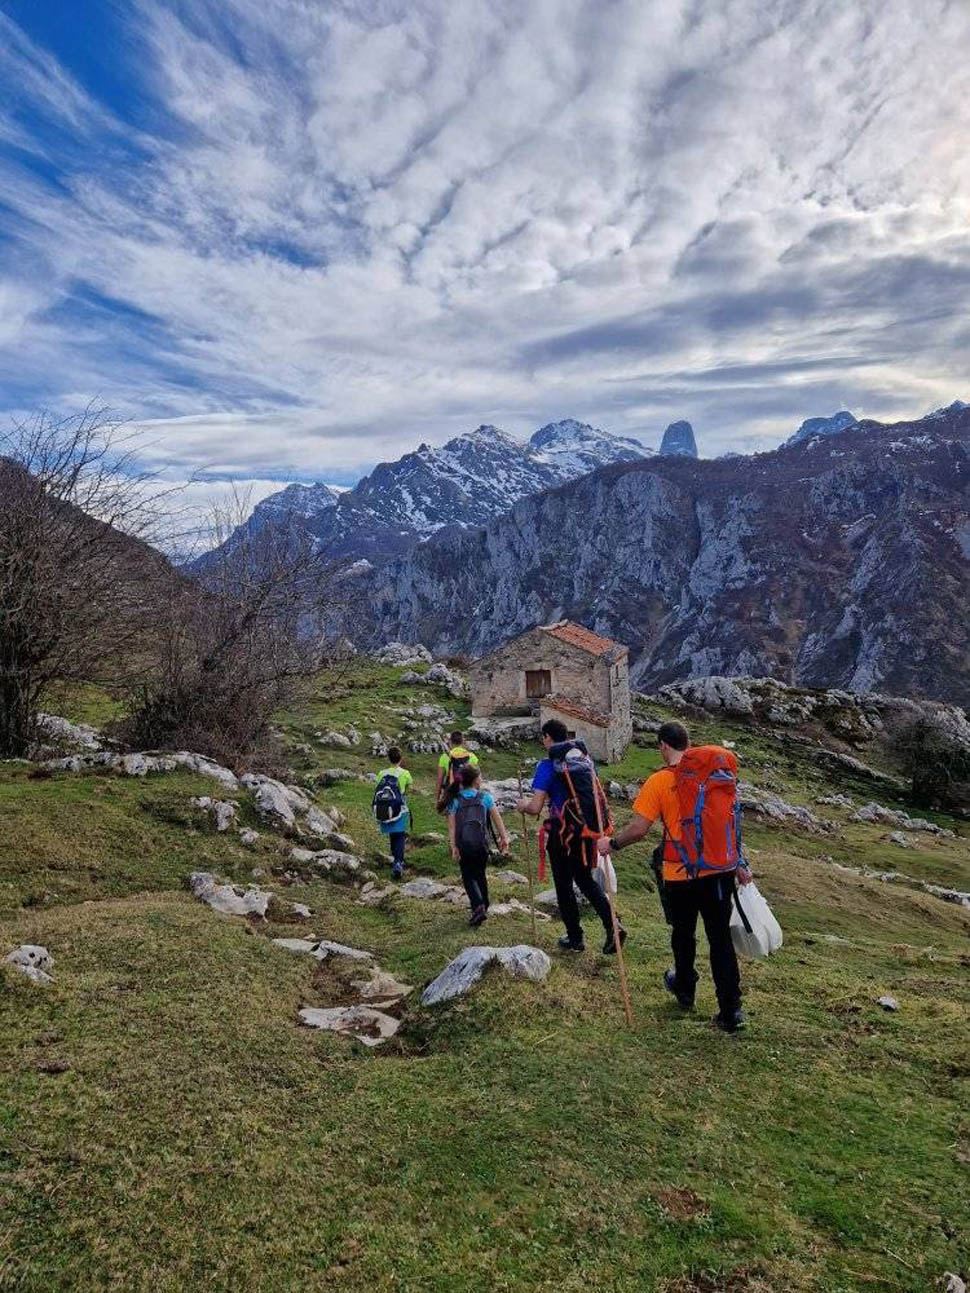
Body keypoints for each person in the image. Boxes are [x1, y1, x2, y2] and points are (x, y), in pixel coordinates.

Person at [598, 721, 751, 1032]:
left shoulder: (659, 782)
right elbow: (728, 822)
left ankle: (685, 991)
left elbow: (640, 829)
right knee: (719, 938)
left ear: (663, 746)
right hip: (719, 871)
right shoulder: (714, 776)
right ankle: (731, 1010)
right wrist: (739, 862)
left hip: (680, 873)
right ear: (688, 743)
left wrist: (611, 844)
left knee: (683, 935)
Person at [516, 718, 626, 954]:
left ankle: (575, 938)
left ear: (547, 737)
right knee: (585, 880)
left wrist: (522, 805)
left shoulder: (547, 766)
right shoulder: (584, 761)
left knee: (564, 885)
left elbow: (535, 807)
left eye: (543, 738)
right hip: (585, 830)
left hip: (561, 832)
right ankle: (613, 924)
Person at [448, 764, 510, 926]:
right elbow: (498, 820)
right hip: (482, 844)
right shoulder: (485, 798)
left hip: (464, 845)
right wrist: (504, 838)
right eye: (480, 776)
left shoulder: (455, 800)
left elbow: (452, 826)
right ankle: (484, 904)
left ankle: (478, 906)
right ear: (476, 780)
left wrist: (454, 846)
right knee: (480, 873)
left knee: (468, 876)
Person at [373, 746, 413, 880]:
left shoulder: (381, 773)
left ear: (388, 758)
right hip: (400, 807)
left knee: (392, 833)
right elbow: (408, 787)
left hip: (386, 808)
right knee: (400, 834)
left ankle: (396, 858)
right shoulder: (405, 773)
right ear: (401, 759)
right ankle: (398, 862)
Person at [436, 730, 480, 813]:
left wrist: (438, 799)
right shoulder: (471, 756)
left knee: (452, 819)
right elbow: (477, 778)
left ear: (450, 742)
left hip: (451, 792)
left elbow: (439, 779)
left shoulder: (445, 757)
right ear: (463, 741)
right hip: (468, 793)